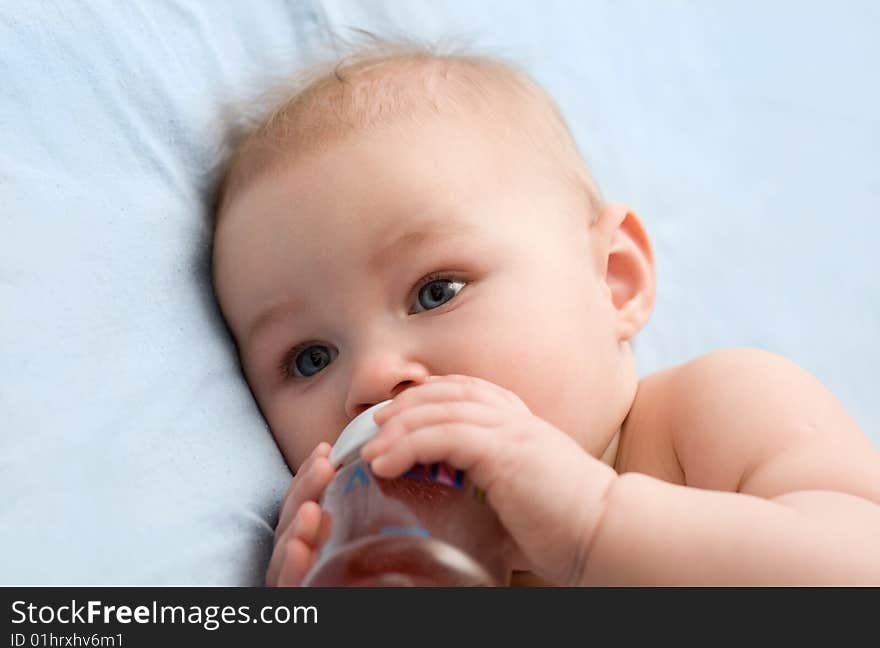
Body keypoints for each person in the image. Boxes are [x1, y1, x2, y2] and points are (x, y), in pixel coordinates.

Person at [209, 36, 880, 586]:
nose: (374, 379)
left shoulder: (709, 416)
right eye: (310, 357)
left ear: (615, 280)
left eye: (436, 290)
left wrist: (594, 522)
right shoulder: (413, 567)